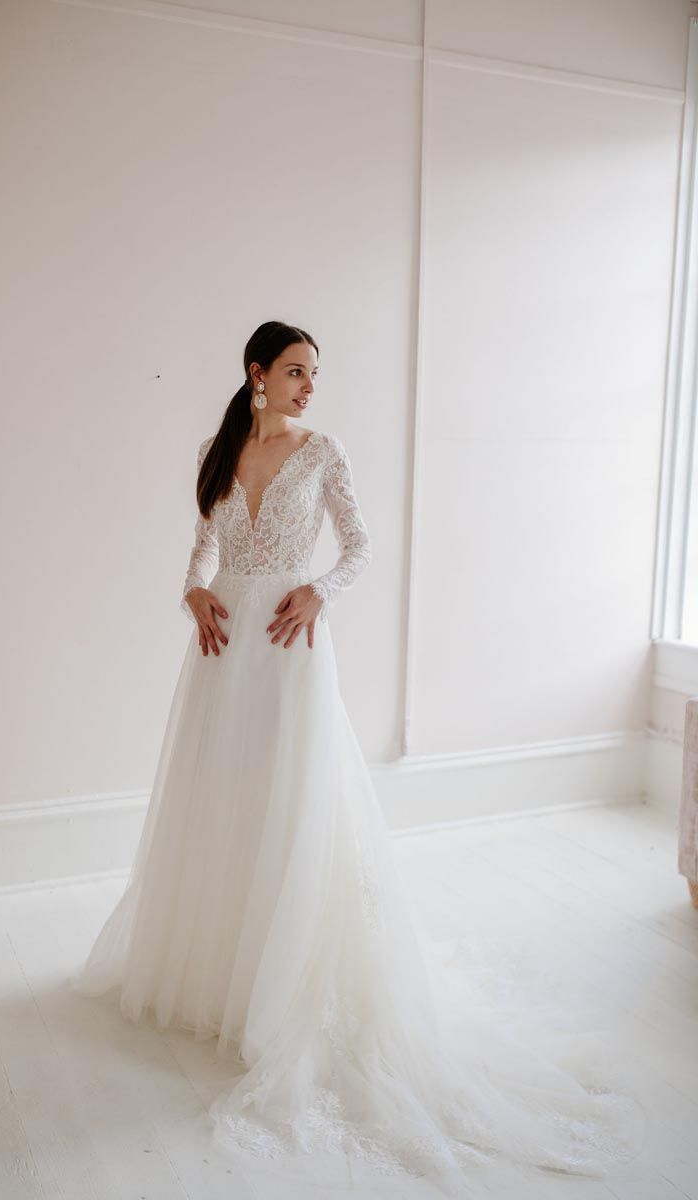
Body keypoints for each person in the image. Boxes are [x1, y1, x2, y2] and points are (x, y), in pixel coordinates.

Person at [71, 321, 646, 1194]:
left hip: (290, 644)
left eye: (315, 374)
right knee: (222, 804)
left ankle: (284, 988)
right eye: (296, 372)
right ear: (256, 374)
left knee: (293, 809)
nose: (309, 386)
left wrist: (319, 590)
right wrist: (192, 588)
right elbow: (207, 540)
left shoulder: (323, 451)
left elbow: (362, 545)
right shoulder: (219, 448)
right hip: (224, 654)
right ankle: (222, 979)